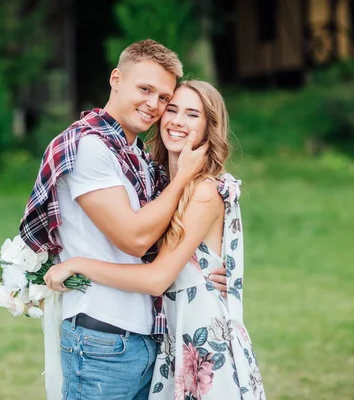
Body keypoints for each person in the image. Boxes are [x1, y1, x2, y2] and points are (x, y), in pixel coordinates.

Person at [19, 40, 228, 400]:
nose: (154, 105)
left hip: (147, 339)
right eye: (145, 89)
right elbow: (134, 239)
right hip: (102, 336)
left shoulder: (137, 156)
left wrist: (201, 271)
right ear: (116, 79)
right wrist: (181, 178)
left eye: (164, 97)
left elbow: (164, 239)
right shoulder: (89, 147)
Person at [45, 80, 266, 399]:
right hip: (171, 338)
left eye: (192, 115)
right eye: (172, 110)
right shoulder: (162, 186)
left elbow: (157, 278)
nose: (177, 121)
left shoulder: (204, 192)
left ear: (209, 129)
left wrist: (78, 264)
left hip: (200, 343)